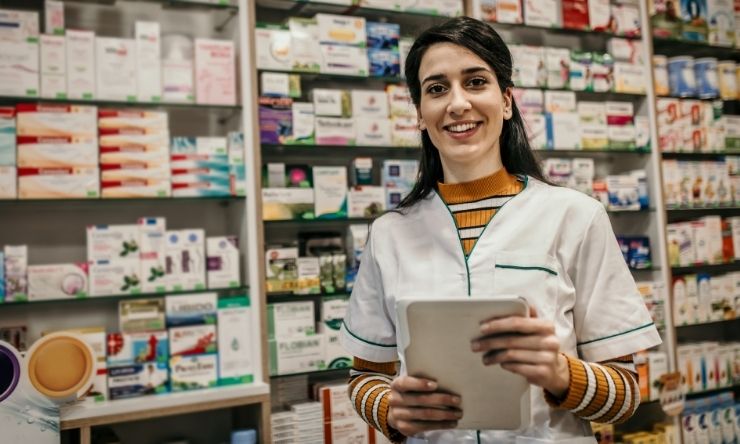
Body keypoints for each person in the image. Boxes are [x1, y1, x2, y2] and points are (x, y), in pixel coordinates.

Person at [339, 16, 662, 444]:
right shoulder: (389, 233)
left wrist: (561, 373)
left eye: (475, 82)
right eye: (437, 88)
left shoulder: (575, 216)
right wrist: (391, 410)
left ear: (506, 101)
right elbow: (365, 376)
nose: (457, 103)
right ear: (419, 114)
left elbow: (624, 394)